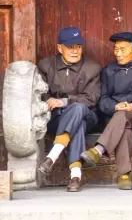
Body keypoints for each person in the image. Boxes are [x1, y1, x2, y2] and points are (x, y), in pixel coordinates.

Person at [80, 32, 132, 190]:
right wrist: (115, 106)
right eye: (116, 49)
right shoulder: (108, 71)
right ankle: (124, 176)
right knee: (124, 128)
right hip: (114, 119)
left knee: (124, 116)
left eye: (122, 49)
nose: (117, 53)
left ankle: (99, 149)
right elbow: (102, 99)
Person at [37, 27, 101, 192]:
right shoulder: (45, 65)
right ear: (60, 48)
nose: (75, 51)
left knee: (78, 109)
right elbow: (38, 92)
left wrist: (64, 102)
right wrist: (48, 99)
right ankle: (76, 176)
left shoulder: (92, 68)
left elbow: (91, 98)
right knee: (76, 125)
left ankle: (52, 155)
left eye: (78, 47)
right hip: (55, 118)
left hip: (87, 115)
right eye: (70, 47)